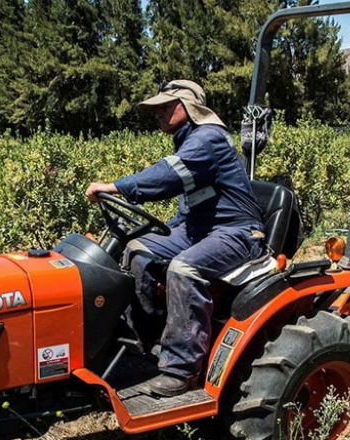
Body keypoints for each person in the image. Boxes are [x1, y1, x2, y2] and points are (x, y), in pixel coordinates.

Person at [85, 80, 265, 397]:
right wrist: (155, 230)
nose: (158, 114)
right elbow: (188, 209)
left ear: (187, 106)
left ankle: (182, 369)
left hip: (237, 231)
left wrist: (115, 187)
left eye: (165, 107)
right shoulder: (189, 143)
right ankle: (146, 341)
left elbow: (166, 176)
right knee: (138, 252)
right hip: (199, 228)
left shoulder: (208, 140)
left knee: (183, 268)